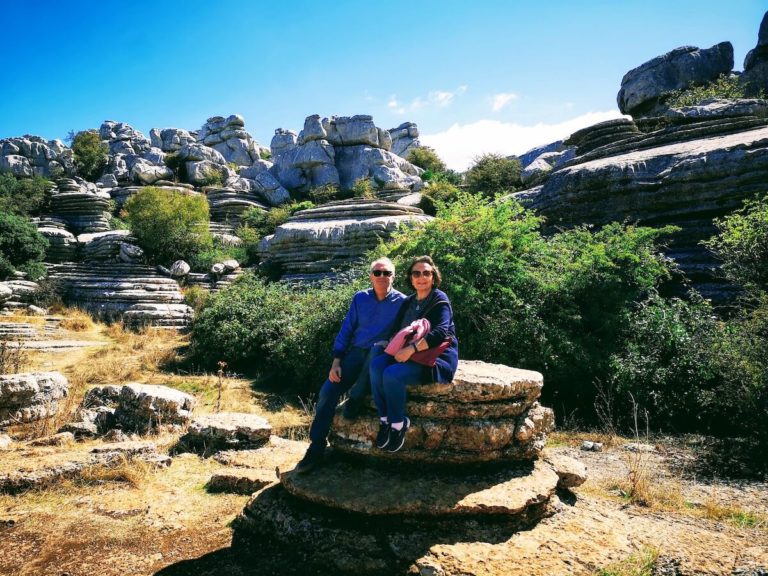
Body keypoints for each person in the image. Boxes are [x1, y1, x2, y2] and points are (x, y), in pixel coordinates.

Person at [295, 257, 406, 473]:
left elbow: (406, 332)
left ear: (394, 276)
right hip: (354, 354)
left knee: (376, 350)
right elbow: (347, 329)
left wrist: (390, 343)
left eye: (387, 273)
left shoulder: (403, 302)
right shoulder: (360, 298)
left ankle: (355, 398)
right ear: (370, 276)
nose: (382, 277)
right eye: (377, 272)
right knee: (327, 391)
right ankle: (316, 447)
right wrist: (336, 361)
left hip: (380, 356)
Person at [370, 255, 458, 453]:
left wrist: (411, 349)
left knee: (392, 374)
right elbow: (397, 329)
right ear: (411, 278)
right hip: (407, 352)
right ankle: (384, 419)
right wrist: (388, 344)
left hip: (434, 358)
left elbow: (440, 333)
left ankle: (398, 425)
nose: (421, 277)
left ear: (433, 277)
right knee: (376, 365)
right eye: (416, 273)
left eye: (426, 273)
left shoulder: (439, 299)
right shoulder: (408, 302)